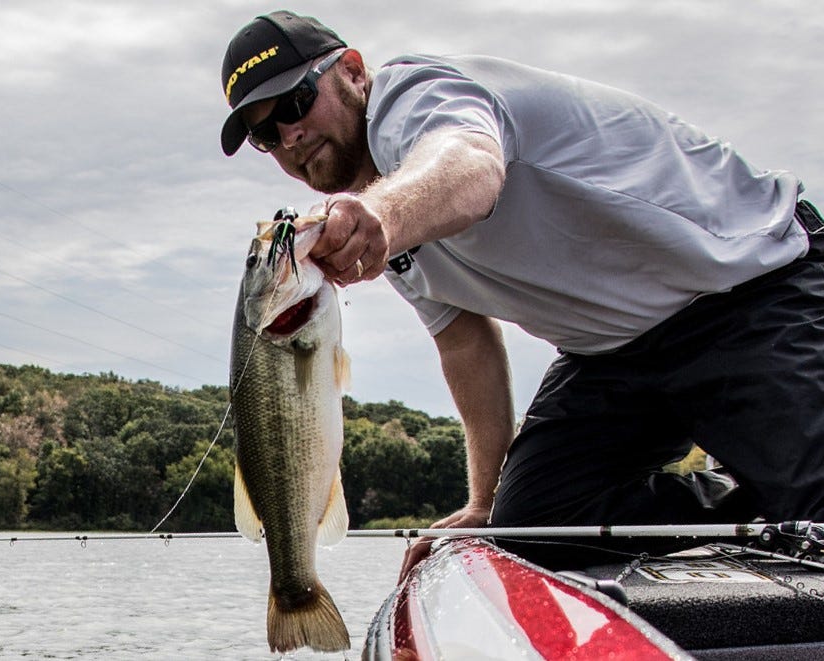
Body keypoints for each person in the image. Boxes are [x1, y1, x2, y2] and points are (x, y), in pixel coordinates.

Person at [219, 10, 824, 576]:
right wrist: (484, 501)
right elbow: (463, 343)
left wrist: (380, 214)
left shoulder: (414, 98)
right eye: (265, 134)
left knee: (816, 508)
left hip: (750, 285)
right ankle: (758, 507)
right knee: (533, 527)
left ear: (352, 71)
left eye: (298, 102)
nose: (290, 135)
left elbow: (472, 164)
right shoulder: (374, 216)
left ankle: (786, 492)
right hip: (612, 354)